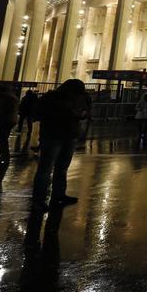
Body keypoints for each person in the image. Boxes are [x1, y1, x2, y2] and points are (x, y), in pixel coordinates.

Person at [31, 79, 88, 211]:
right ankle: (38, 200)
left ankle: (59, 195)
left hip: (69, 135)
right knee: (45, 169)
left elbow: (84, 112)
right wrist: (63, 113)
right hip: (53, 136)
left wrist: (81, 114)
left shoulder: (77, 99)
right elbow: (38, 114)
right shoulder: (51, 98)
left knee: (62, 168)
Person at [0, 86, 19, 163]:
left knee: (0, 138)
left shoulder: (5, 98)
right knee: (2, 138)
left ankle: (4, 157)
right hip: (10, 120)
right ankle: (4, 156)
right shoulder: (12, 98)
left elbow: (3, 110)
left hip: (5, 120)